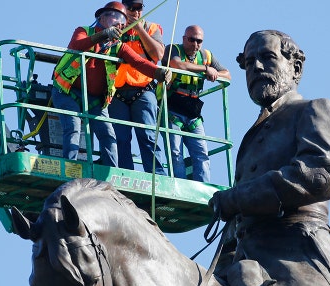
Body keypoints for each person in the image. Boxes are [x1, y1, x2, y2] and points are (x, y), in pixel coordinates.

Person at [209, 30, 330, 286]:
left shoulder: (314, 110)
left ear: (295, 67)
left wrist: (236, 199)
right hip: (246, 270)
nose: (256, 67)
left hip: (300, 265)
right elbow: (240, 223)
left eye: (267, 57)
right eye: (249, 63)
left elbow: (323, 173)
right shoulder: (252, 136)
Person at [51, 1, 170, 165]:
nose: (118, 22)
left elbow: (138, 62)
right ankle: (69, 168)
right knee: (73, 128)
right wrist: (102, 35)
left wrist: (159, 73)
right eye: (114, 16)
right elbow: (77, 45)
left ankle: (112, 176)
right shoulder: (84, 31)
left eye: (121, 19)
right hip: (67, 92)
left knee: (108, 134)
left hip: (95, 99)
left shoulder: (118, 45)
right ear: (101, 17)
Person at [161, 25, 231, 182]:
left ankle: (203, 188)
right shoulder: (173, 49)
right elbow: (178, 65)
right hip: (173, 108)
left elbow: (227, 75)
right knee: (175, 153)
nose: (195, 44)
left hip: (193, 112)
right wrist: (206, 69)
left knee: (201, 153)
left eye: (199, 41)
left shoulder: (206, 55)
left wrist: (214, 72)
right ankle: (177, 186)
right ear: (184, 38)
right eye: (192, 40)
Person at [107, 0, 167, 175]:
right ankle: (125, 175)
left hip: (143, 90)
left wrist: (138, 28)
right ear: (123, 7)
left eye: (138, 7)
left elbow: (158, 54)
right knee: (121, 138)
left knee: (148, 136)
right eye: (130, 7)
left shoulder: (151, 27)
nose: (134, 11)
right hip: (117, 92)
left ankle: (157, 176)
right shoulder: (113, 25)